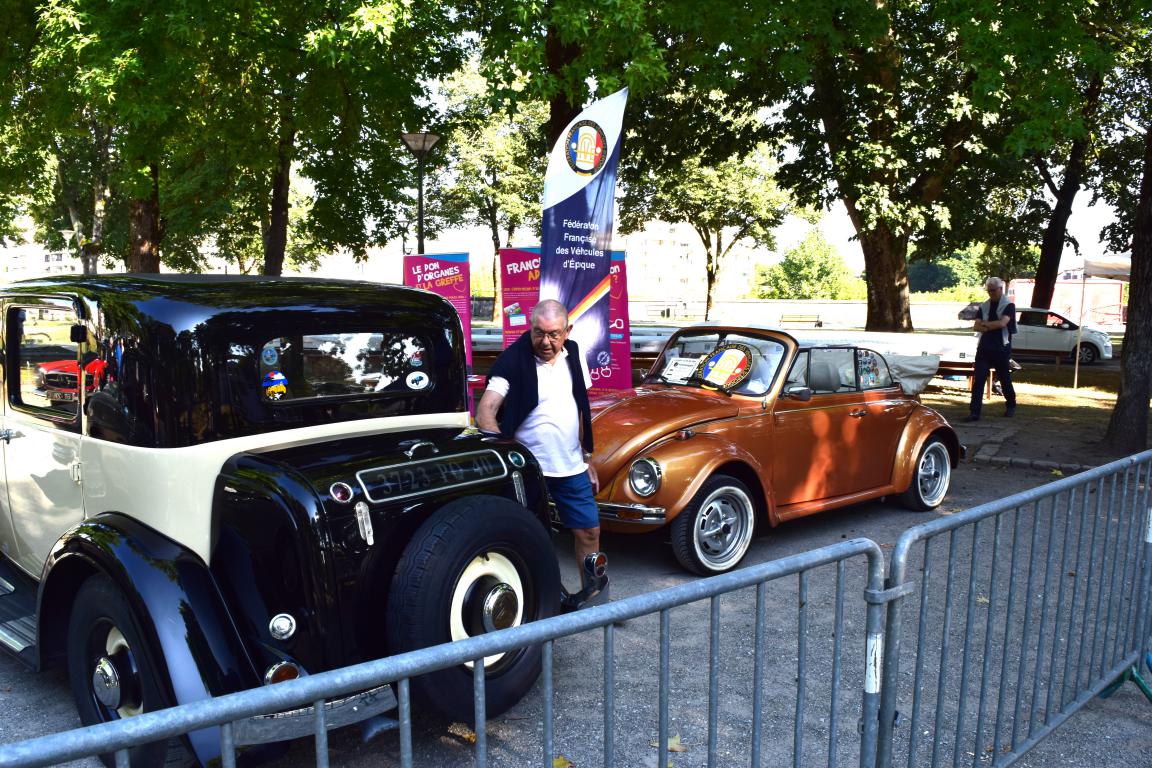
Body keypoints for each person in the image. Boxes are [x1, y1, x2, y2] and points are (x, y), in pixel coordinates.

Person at [476, 299, 606, 607]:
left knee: (589, 532)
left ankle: (595, 599)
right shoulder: (513, 360)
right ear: (530, 328)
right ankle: (538, 604)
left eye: (554, 334)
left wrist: (586, 456)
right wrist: (509, 459)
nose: (546, 342)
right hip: (530, 470)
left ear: (567, 331)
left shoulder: (574, 353)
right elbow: (485, 412)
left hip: (571, 465)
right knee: (530, 539)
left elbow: (579, 406)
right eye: (539, 333)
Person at [966, 276, 1017, 421]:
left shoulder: (1009, 305)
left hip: (1001, 347)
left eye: (993, 290)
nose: (991, 293)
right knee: (979, 380)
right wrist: (990, 326)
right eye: (989, 291)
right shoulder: (984, 306)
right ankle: (975, 412)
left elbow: (1002, 323)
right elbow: (976, 326)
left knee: (1004, 378)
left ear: (1000, 289)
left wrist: (985, 325)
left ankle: (1011, 405)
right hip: (984, 347)